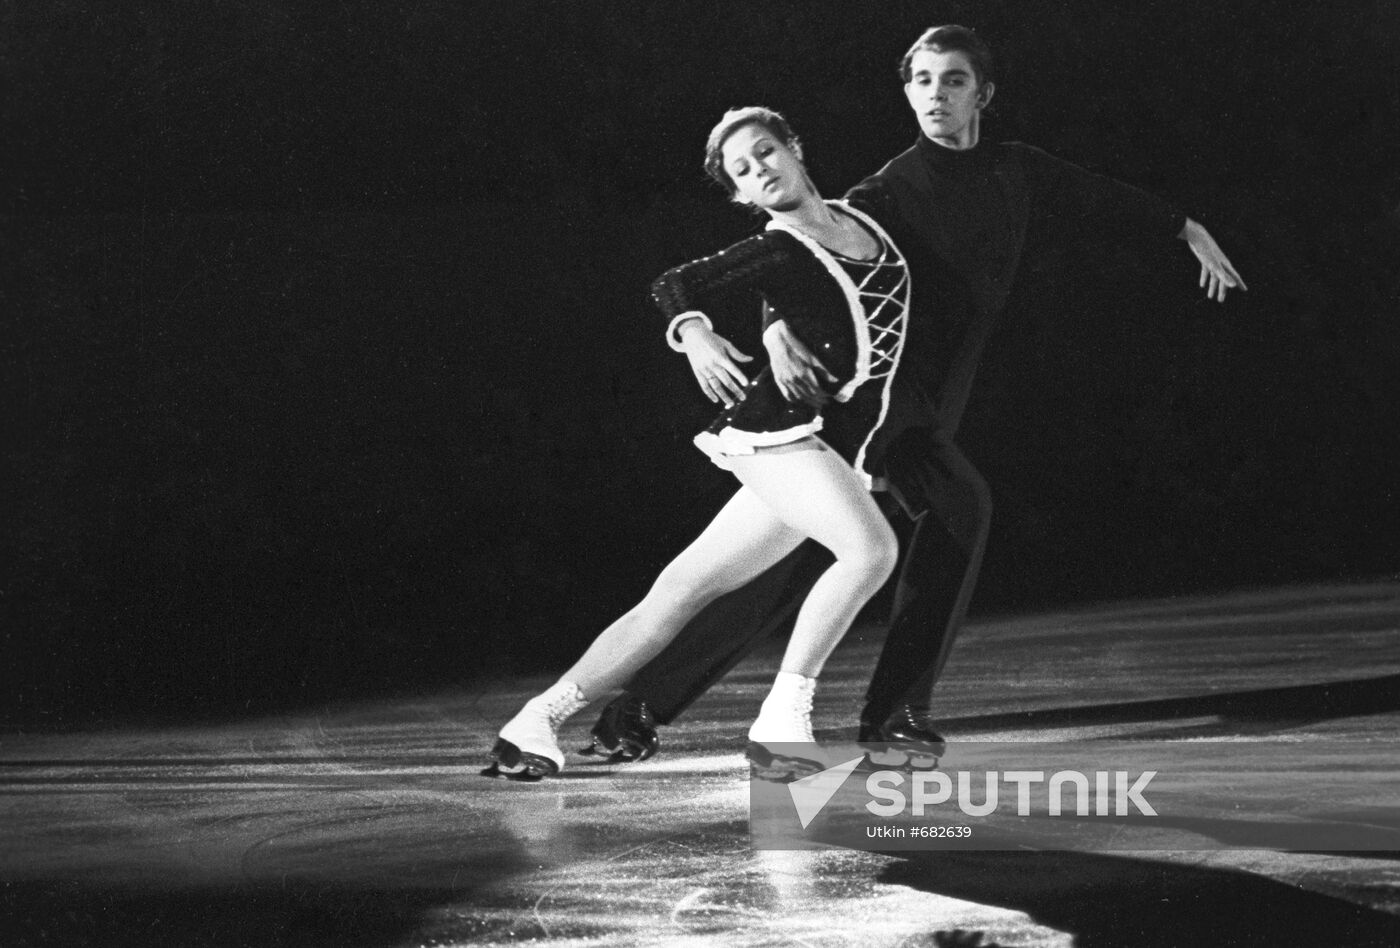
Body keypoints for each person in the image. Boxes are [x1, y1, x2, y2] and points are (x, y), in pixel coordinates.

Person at [582, 24, 1246, 766]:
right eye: (923, 81)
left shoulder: (1016, 169)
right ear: (908, 94)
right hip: (869, 405)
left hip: (932, 398)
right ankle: (715, 709)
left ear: (982, 94)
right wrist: (772, 332)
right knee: (844, 545)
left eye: (954, 80)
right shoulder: (885, 191)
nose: (937, 94)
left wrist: (1183, 227)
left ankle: (851, 713)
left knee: (885, 535)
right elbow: (803, 252)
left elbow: (1096, 193)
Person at [484, 107, 913, 780]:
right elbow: (674, 283)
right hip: (775, 436)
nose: (760, 170)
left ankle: (537, 718)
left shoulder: (863, 223)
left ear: (794, 149)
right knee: (870, 550)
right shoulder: (777, 248)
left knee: (678, 593)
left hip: (817, 442)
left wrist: (775, 327)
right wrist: (693, 331)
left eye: (766, 152)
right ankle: (782, 720)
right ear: (739, 194)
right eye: (742, 170)